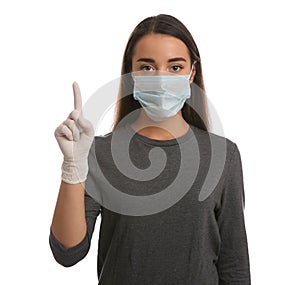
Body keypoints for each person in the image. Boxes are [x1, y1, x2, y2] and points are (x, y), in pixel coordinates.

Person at [49, 14, 251, 284]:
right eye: (147, 67)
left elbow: (234, 265)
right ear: (131, 75)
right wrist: (73, 166)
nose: (161, 78)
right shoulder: (99, 153)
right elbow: (68, 253)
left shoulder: (223, 156)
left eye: (175, 67)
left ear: (192, 72)